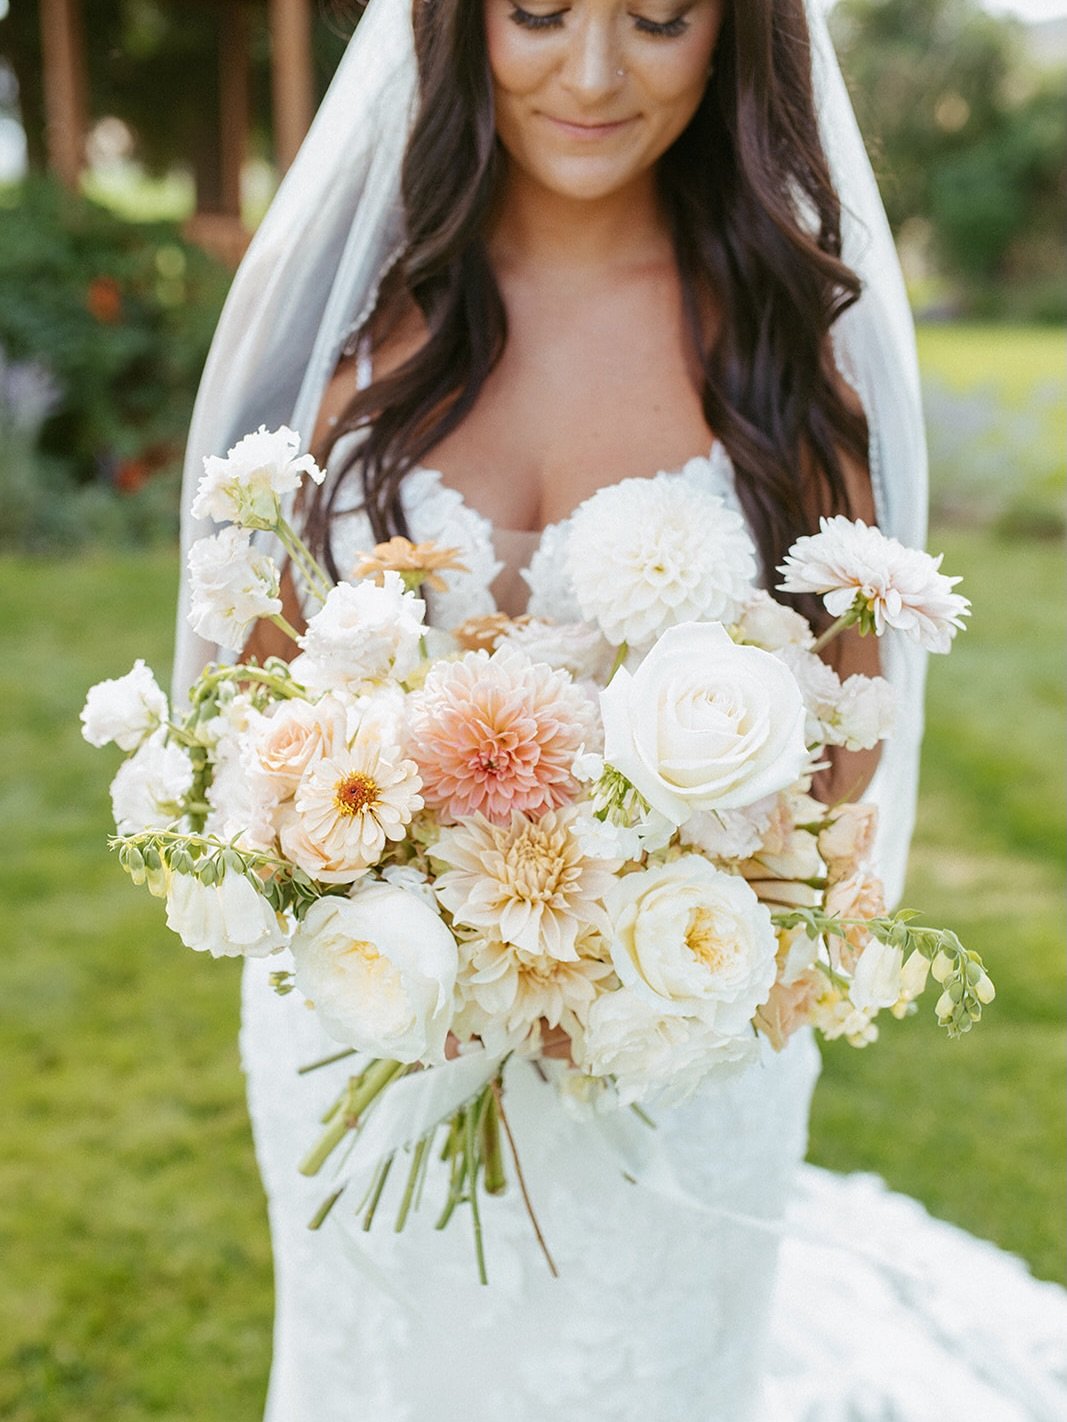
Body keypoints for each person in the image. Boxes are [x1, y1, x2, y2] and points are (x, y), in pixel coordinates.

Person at [174, 1, 1067, 1418]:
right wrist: (392, 908)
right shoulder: (350, 349)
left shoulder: (784, 368)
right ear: (458, 27)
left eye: (657, 18)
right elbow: (253, 732)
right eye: (537, 13)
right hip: (371, 1032)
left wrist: (642, 957)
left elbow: (845, 784)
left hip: (674, 1052)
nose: (593, 75)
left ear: (733, 38)